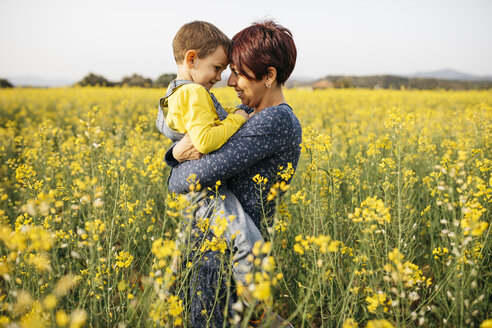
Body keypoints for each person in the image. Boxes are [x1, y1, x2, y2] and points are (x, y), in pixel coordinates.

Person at [165, 20, 301, 327]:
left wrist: (173, 162)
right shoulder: (252, 117)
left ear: (269, 76)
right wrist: (177, 156)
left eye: (239, 72)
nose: (230, 81)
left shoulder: (275, 121)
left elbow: (186, 180)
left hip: (223, 264)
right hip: (212, 255)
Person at [156, 21, 265, 287]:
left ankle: (168, 291)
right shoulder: (194, 92)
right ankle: (254, 312)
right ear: (191, 58)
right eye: (216, 68)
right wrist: (238, 118)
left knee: (187, 242)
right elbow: (204, 141)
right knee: (250, 243)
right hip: (207, 189)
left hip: (193, 185)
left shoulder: (173, 92)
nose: (219, 77)